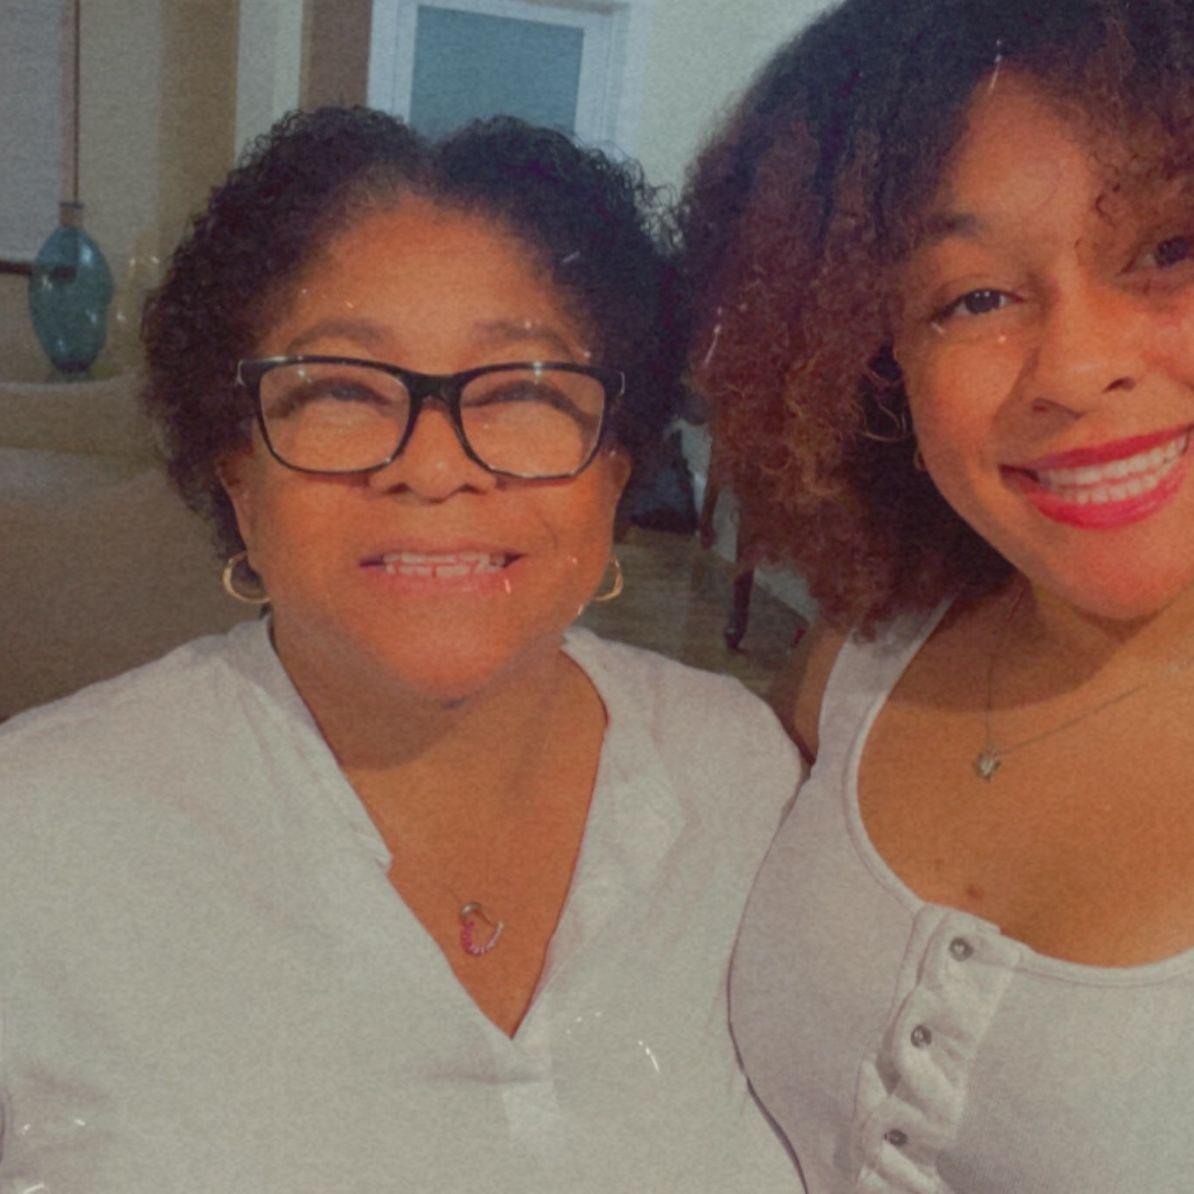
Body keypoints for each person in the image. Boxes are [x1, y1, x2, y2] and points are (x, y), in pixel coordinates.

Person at [0, 108, 801, 1191]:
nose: (432, 468)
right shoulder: (37, 840)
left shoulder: (742, 780)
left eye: (522, 390)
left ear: (618, 467)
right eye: (341, 390)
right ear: (237, 473)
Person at [681, 1, 1194, 1189]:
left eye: (1169, 248)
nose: (1075, 368)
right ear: (874, 362)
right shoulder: (865, 656)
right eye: (973, 299)